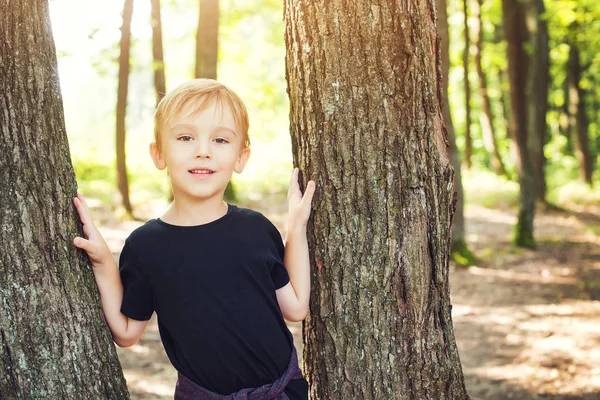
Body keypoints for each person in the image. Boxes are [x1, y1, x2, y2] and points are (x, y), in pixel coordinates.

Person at [73, 79, 315, 399]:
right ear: (159, 154)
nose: (203, 151)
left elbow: (296, 308)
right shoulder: (145, 247)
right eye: (186, 137)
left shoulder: (256, 229)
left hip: (281, 392)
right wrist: (103, 262)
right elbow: (127, 332)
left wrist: (296, 228)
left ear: (241, 158)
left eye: (220, 140)